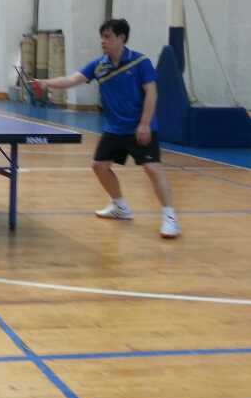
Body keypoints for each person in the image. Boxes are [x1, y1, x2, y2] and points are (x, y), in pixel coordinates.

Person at [34, 18, 180, 238]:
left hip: (139, 127)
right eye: (102, 37)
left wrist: (144, 123)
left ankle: (170, 217)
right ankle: (120, 207)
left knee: (152, 168)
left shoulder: (140, 62)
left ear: (122, 38)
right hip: (115, 128)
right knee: (99, 166)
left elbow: (152, 93)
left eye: (108, 36)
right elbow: (72, 80)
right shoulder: (99, 65)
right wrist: (46, 83)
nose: (103, 41)